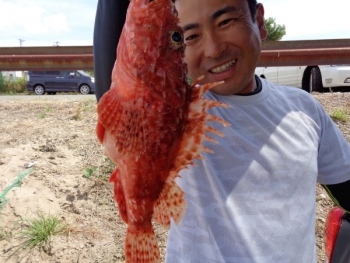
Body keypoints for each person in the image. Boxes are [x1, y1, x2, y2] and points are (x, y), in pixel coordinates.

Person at [93, 0, 350, 262]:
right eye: (188, 36)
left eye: (225, 22)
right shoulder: (180, 114)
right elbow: (124, 101)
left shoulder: (305, 109)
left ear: (259, 21)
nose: (214, 49)